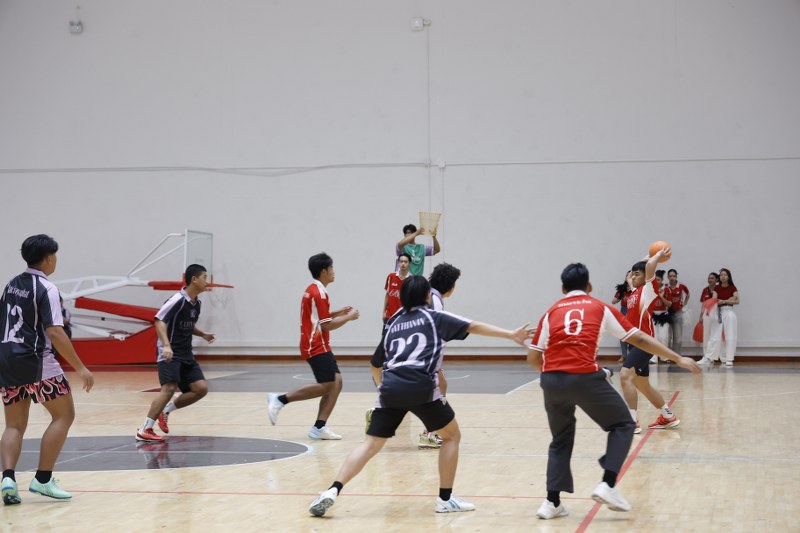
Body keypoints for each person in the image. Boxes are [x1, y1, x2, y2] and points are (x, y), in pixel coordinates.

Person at [308, 275, 531, 517]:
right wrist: (511, 334)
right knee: (452, 436)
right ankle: (445, 499)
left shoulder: (393, 323)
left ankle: (332, 490)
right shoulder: (434, 317)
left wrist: (382, 388)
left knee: (370, 444)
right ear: (427, 296)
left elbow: (375, 363)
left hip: (390, 388)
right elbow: (473, 326)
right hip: (421, 386)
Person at [528, 263, 699, 519]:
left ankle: (552, 502)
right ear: (589, 286)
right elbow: (639, 338)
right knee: (623, 425)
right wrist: (677, 357)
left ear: (563, 289)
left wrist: (555, 377)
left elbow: (533, 358)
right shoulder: (600, 307)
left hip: (551, 380)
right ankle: (608, 484)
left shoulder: (550, 312)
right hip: (584, 376)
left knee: (560, 439)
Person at [0, 234, 94, 503]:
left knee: (14, 425)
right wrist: (81, 368)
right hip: (37, 362)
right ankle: (43, 479)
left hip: (7, 361)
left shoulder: (11, 284)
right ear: (49, 258)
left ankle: (8, 479)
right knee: (64, 415)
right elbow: (55, 331)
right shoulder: (47, 288)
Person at [268, 253, 360, 440]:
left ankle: (319, 427)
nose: (334, 271)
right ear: (324, 271)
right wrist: (349, 317)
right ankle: (280, 400)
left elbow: (318, 318)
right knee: (328, 384)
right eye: (331, 268)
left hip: (319, 344)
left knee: (337, 382)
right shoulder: (319, 293)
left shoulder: (314, 289)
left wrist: (337, 313)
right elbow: (326, 326)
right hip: (315, 345)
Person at [135, 264, 216, 443]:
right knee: (169, 389)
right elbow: (159, 320)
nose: (207, 281)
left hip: (186, 353)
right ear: (194, 279)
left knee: (200, 389)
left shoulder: (197, 303)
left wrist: (203, 334)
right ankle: (145, 429)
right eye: (204, 277)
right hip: (170, 352)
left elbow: (188, 325)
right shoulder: (177, 299)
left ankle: (165, 411)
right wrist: (166, 345)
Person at [621, 247, 687, 433]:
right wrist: (646, 259)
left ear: (646, 277)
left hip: (644, 343)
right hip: (634, 343)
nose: (633, 276)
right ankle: (668, 416)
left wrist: (657, 256)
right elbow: (637, 270)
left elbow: (649, 267)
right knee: (642, 384)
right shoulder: (634, 290)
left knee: (625, 376)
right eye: (632, 274)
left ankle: (631, 422)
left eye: (637, 274)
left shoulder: (648, 289)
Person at [418, 262, 461, 450]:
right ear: (450, 285)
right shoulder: (434, 300)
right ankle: (429, 433)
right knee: (435, 390)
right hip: (424, 356)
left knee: (439, 386)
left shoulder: (429, 295)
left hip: (419, 353)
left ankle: (378, 412)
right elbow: (433, 329)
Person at [707, 268, 739, 367]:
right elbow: (714, 300)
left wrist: (725, 301)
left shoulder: (732, 287)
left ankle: (729, 358)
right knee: (715, 335)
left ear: (728, 277)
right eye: (721, 275)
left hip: (729, 312)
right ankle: (710, 357)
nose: (723, 277)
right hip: (718, 312)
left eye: (725, 275)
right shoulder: (716, 288)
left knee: (730, 335)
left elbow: (737, 301)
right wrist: (729, 299)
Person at [663, 268, 690, 356]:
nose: (672, 278)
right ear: (667, 277)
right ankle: (667, 356)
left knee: (677, 337)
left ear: (676, 276)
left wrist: (684, 305)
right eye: (670, 276)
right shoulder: (665, 286)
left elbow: (688, 295)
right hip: (667, 313)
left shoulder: (682, 286)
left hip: (678, 313)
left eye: (673, 276)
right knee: (667, 336)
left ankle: (677, 355)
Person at [697, 272, 720, 365]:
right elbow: (703, 304)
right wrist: (701, 316)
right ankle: (706, 356)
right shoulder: (705, 290)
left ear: (716, 280)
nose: (710, 280)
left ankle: (712, 357)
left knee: (714, 336)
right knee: (706, 335)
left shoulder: (719, 289)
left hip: (716, 313)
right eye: (709, 278)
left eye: (712, 278)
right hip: (706, 314)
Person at [382, 253, 411, 325]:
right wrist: (383, 312)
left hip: (404, 317)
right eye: (401, 261)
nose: (403, 264)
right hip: (389, 316)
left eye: (405, 262)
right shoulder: (391, 276)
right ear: (398, 263)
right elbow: (387, 295)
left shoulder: (411, 280)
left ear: (409, 263)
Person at [651, 270, 672, 363]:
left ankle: (664, 357)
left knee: (664, 337)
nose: (657, 281)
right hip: (653, 315)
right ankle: (653, 358)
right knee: (653, 337)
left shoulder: (666, 289)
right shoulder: (650, 289)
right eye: (655, 279)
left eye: (658, 279)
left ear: (662, 280)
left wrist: (661, 297)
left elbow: (670, 304)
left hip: (663, 315)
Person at [611, 273, 632, 362]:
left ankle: (632, 355)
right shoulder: (622, 289)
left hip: (633, 312)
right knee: (622, 334)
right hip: (623, 311)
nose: (629, 277)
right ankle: (624, 355)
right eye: (628, 276)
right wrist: (619, 295)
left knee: (632, 334)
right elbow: (613, 301)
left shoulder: (637, 289)